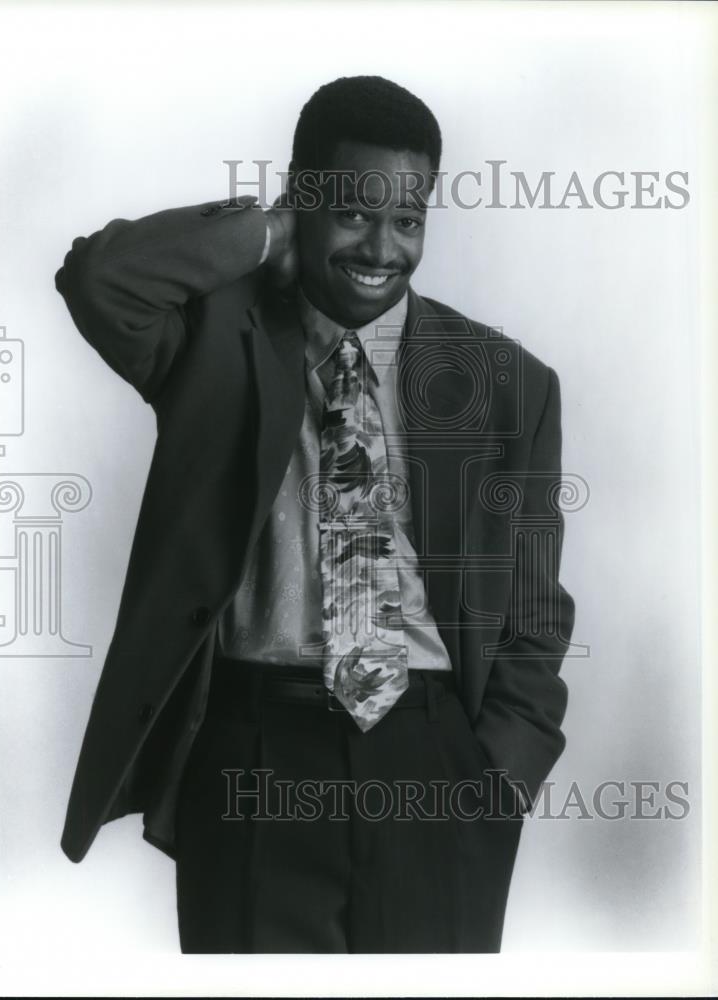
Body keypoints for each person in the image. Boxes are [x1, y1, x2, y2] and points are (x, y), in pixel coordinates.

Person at [54, 75, 575, 953]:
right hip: (255, 749)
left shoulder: (505, 382)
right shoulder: (214, 343)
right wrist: (263, 236)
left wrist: (500, 777)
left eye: (408, 220)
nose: (382, 247)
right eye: (353, 214)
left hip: (434, 757)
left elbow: (533, 605)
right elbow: (101, 279)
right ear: (303, 202)